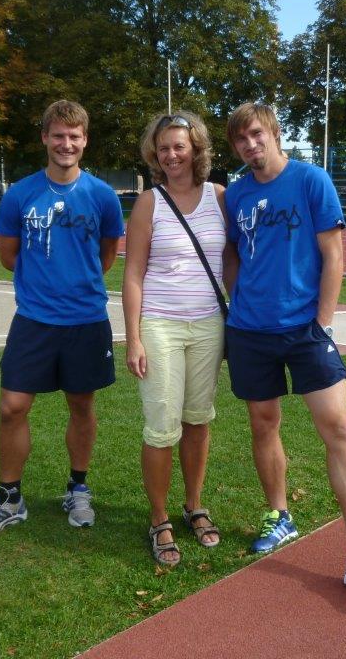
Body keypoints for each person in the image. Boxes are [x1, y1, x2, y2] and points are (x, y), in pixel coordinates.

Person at [224, 102, 346, 589]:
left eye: (256, 134)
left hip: (305, 329)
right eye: (241, 139)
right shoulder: (236, 194)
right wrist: (238, 301)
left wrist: (323, 322)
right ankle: (279, 516)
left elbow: (334, 255)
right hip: (249, 331)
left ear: (274, 132)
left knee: (338, 428)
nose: (250, 145)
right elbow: (233, 254)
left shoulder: (311, 180)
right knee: (264, 423)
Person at [0, 100, 124, 538]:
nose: (66, 144)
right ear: (45, 138)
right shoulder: (20, 194)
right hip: (34, 319)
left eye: (74, 136)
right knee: (13, 407)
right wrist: (45, 284)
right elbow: (8, 256)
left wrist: (75, 281)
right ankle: (10, 497)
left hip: (86, 319)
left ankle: (78, 488)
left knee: (82, 405)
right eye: (58, 135)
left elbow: (107, 256)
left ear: (85, 140)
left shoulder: (102, 196)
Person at [122, 112, 235, 567]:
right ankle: (159, 518)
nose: (171, 155)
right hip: (160, 326)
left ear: (196, 149)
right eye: (164, 148)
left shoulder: (220, 197)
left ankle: (194, 505)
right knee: (161, 428)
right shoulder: (149, 203)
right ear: (155, 154)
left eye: (179, 146)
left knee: (198, 420)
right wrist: (133, 338)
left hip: (209, 325)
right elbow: (133, 274)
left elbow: (232, 260)